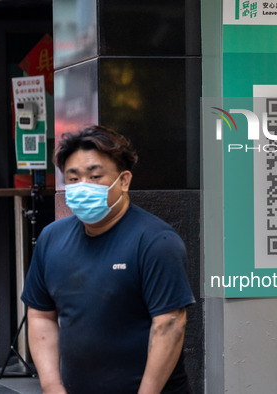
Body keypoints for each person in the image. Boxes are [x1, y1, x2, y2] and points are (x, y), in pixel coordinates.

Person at [21, 125, 195, 394]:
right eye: (74, 178)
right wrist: (52, 386)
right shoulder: (51, 239)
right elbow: (41, 316)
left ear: (124, 181)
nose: (83, 187)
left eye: (95, 176)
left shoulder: (155, 241)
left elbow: (169, 324)